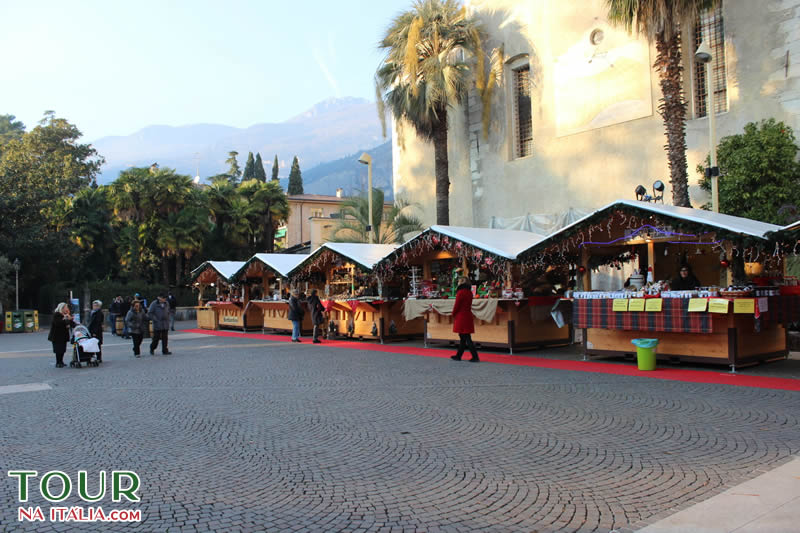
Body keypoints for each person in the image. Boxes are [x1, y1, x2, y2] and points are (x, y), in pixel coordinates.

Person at [450, 277, 480, 363]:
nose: (458, 282)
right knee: (464, 337)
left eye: (459, 281)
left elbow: (457, 305)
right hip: (467, 315)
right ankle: (459, 355)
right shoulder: (469, 292)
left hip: (461, 316)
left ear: (462, 282)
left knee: (465, 337)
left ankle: (475, 356)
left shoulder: (460, 292)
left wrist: (453, 313)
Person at [48, 302, 75, 368]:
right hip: (56, 335)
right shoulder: (57, 314)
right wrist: (66, 319)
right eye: (66, 307)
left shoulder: (66, 315)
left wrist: (75, 324)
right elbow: (58, 323)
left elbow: (71, 323)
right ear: (62, 308)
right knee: (58, 349)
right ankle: (58, 362)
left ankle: (61, 361)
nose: (67, 309)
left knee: (63, 349)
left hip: (63, 335)